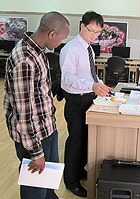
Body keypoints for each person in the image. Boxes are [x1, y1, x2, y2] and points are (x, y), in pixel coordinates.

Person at [3, 12, 70, 199]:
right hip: (33, 139)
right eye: (61, 39)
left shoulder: (38, 51)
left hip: (46, 129)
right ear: (51, 34)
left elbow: (40, 96)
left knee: (48, 183)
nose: (60, 44)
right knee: (35, 190)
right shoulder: (24, 60)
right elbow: (24, 114)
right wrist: (36, 153)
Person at [60, 11, 112, 197]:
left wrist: (100, 85)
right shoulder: (71, 48)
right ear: (82, 26)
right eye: (91, 31)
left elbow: (91, 74)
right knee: (76, 141)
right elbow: (68, 79)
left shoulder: (88, 48)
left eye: (98, 32)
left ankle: (79, 170)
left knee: (85, 140)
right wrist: (92, 85)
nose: (94, 35)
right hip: (76, 101)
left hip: (88, 97)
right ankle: (71, 181)